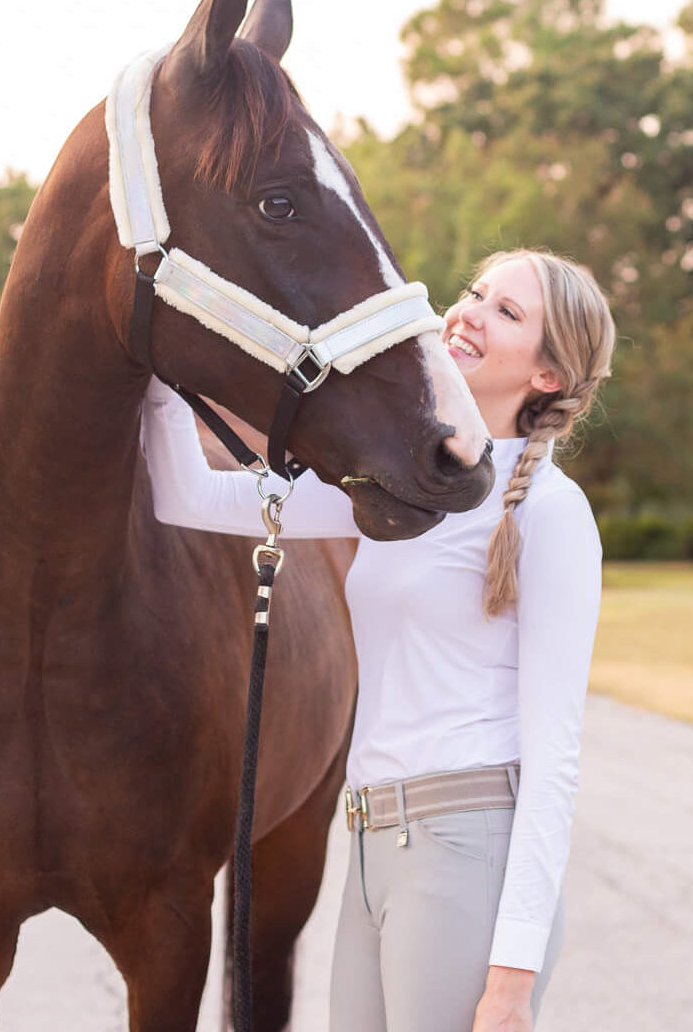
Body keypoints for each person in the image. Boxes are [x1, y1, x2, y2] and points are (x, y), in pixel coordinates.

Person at [141, 248, 616, 1032]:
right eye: (475, 292)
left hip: (464, 852)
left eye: (506, 312)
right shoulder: (395, 488)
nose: (469, 312)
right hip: (369, 846)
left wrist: (511, 981)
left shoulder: (550, 515)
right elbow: (186, 494)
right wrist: (159, 359)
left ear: (548, 377)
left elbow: (554, 756)